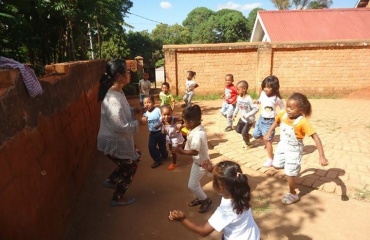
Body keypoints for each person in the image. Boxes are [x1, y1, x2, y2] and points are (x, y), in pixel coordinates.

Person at [263, 92, 329, 204]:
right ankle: (291, 167)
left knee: (290, 173)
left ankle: (293, 194)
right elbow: (276, 121)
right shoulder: (283, 114)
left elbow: (316, 138)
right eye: (287, 106)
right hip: (282, 145)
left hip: (294, 149)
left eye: (291, 108)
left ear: (301, 110)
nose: (288, 109)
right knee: (276, 165)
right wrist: (269, 132)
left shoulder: (302, 122)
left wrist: (322, 156)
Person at [169, 160, 260, 240]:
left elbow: (203, 231)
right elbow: (229, 180)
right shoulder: (242, 189)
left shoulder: (225, 211)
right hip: (253, 235)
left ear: (221, 188)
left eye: (213, 180)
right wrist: (212, 171)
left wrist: (183, 219)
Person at [97, 59, 140, 207]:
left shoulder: (118, 92)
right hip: (113, 141)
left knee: (136, 155)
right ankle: (118, 197)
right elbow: (120, 127)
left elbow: (122, 114)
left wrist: (134, 111)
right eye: (127, 71)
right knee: (131, 166)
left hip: (115, 139)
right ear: (120, 76)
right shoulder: (113, 99)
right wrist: (139, 123)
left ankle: (112, 180)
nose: (130, 74)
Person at [174, 105, 212, 213]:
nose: (183, 123)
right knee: (195, 183)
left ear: (191, 122)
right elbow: (189, 132)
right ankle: (200, 198)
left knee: (192, 185)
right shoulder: (196, 127)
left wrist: (181, 151)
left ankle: (205, 200)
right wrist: (183, 128)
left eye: (184, 121)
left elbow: (195, 151)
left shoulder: (198, 135)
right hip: (198, 162)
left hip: (201, 164)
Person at [253, 75, 285, 167]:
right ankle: (268, 141)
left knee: (267, 141)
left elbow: (283, 108)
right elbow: (261, 100)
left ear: (274, 88)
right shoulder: (263, 93)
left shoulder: (276, 99)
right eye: (265, 86)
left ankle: (270, 159)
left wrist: (280, 118)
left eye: (269, 87)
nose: (266, 89)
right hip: (261, 119)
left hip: (270, 122)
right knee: (255, 135)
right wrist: (257, 101)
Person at [141, 95, 168, 168]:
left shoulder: (158, 110)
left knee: (162, 146)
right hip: (152, 134)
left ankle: (164, 154)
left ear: (153, 103)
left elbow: (163, 119)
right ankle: (157, 160)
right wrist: (142, 118)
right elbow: (143, 122)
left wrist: (163, 127)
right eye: (145, 103)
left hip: (160, 132)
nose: (147, 104)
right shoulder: (145, 113)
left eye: (149, 102)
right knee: (151, 147)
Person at [232, 80, 259, 147]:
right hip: (242, 118)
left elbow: (256, 108)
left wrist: (248, 114)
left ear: (244, 89)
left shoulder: (249, 99)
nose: (237, 91)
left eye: (238, 89)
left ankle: (248, 144)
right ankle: (247, 135)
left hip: (249, 120)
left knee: (244, 133)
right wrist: (234, 114)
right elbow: (237, 106)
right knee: (238, 130)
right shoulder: (238, 98)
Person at [157, 104, 185, 170]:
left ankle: (174, 163)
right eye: (164, 114)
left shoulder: (174, 119)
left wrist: (180, 125)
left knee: (173, 151)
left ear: (172, 113)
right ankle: (182, 145)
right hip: (168, 137)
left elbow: (183, 120)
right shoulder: (161, 119)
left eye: (168, 114)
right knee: (170, 148)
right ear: (161, 114)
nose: (166, 116)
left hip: (175, 137)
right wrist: (162, 128)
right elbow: (161, 125)